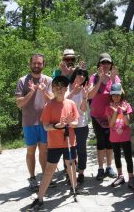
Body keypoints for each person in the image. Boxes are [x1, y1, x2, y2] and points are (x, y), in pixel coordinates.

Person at [28, 76, 86, 211]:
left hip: (70, 142)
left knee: (71, 166)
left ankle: (74, 188)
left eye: (62, 87)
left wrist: (70, 123)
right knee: (49, 170)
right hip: (54, 144)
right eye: (56, 87)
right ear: (52, 89)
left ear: (66, 89)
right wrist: (57, 126)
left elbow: (76, 122)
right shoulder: (48, 106)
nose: (59, 90)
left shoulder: (71, 103)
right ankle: (40, 198)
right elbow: (46, 126)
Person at [15, 53, 53, 191]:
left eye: (39, 63)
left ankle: (45, 176)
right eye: (34, 63)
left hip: (44, 122)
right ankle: (32, 178)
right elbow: (19, 104)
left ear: (43, 64)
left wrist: (42, 91)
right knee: (31, 151)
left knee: (44, 151)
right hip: (29, 122)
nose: (36, 65)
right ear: (30, 64)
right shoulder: (23, 80)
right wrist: (31, 91)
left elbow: (52, 101)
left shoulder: (48, 80)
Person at [88, 53, 119, 180]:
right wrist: (100, 79)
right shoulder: (93, 78)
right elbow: (90, 95)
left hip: (110, 116)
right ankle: (101, 168)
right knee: (100, 142)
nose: (106, 65)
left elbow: (118, 95)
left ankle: (109, 167)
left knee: (110, 142)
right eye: (103, 63)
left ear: (111, 65)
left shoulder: (115, 78)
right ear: (99, 64)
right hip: (96, 116)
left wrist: (111, 79)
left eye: (108, 63)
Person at [104, 83, 134, 189]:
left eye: (118, 94)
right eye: (114, 95)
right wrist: (116, 112)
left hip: (125, 136)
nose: (116, 97)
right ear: (111, 96)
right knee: (117, 156)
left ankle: (131, 177)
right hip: (114, 138)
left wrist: (124, 112)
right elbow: (111, 124)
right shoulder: (108, 108)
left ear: (121, 94)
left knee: (128, 157)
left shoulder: (126, 105)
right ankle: (120, 176)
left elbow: (127, 123)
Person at [66, 65, 89, 184]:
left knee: (81, 150)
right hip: (68, 125)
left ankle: (81, 173)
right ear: (75, 74)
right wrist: (72, 92)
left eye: (84, 75)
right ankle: (70, 172)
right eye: (80, 73)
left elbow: (83, 109)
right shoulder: (67, 87)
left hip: (81, 125)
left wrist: (84, 97)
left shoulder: (84, 89)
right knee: (70, 150)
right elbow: (63, 103)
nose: (82, 76)